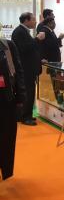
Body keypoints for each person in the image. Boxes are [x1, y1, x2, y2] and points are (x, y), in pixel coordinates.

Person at [11, 12, 45, 125]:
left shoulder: (23, 31)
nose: (35, 22)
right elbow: (24, 49)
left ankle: (26, 115)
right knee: (28, 92)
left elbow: (30, 50)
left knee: (29, 92)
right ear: (26, 20)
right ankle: (25, 117)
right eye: (33, 19)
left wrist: (39, 60)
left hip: (28, 68)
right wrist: (37, 39)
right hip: (25, 69)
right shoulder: (19, 32)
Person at [0, 38, 26, 180]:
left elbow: (18, 72)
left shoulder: (7, 46)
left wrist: (21, 97)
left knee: (7, 136)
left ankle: (6, 171)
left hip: (7, 99)